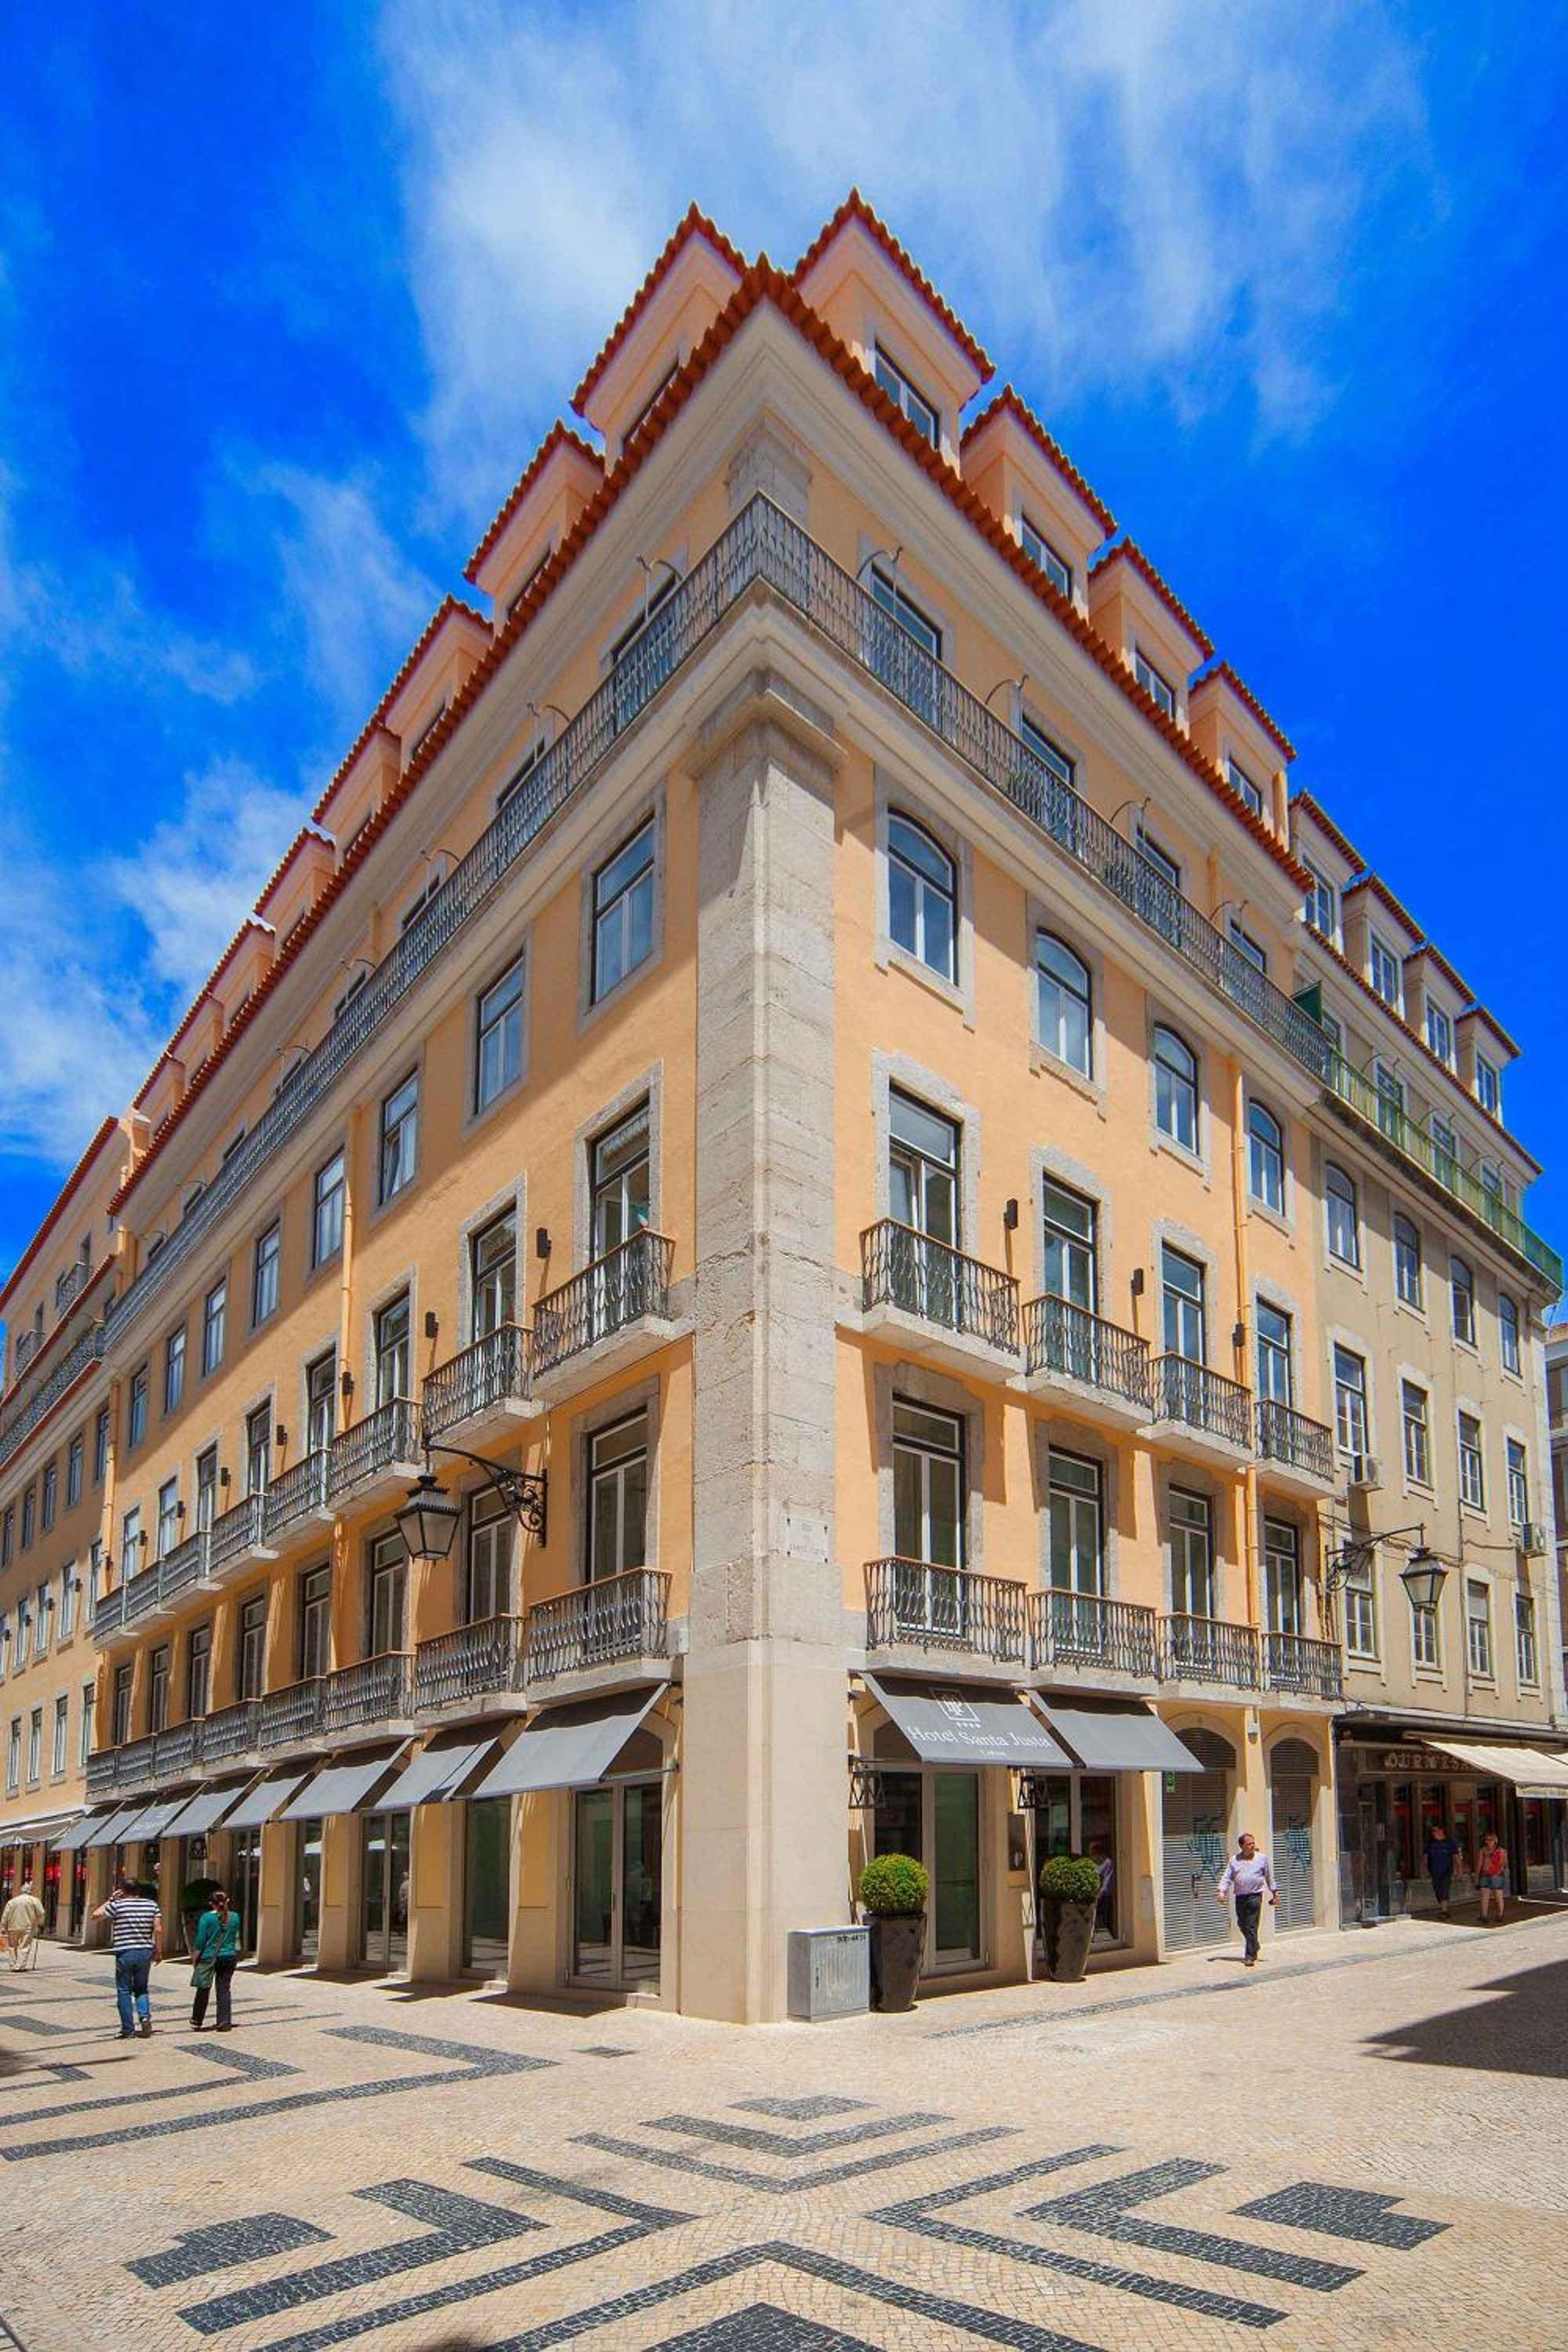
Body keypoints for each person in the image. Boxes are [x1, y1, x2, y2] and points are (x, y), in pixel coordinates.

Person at [94, 1871, 162, 2038]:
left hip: (125, 1952)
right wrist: (159, 1951)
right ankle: (144, 2017)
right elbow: (158, 1929)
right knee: (141, 1988)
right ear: (138, 1890)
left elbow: (95, 1916)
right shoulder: (152, 1905)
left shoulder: (118, 1905)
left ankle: (127, 2028)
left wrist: (111, 1899)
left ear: (123, 1891)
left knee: (124, 1989)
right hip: (145, 1952)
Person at [1215, 1831, 1277, 1967]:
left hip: (1255, 1895)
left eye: (1253, 1843)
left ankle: (1249, 1956)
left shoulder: (1262, 1858)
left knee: (1251, 1925)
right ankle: (1254, 1945)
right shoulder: (1235, 1860)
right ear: (1242, 1846)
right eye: (1249, 1844)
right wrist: (1222, 1891)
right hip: (1240, 1896)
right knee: (1242, 1924)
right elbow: (1227, 1876)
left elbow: (1269, 1876)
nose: (1252, 1846)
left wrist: (1274, 1892)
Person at [190, 1889, 241, 2032]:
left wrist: (195, 1958)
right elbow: (235, 1937)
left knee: (203, 1988)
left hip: (208, 1957)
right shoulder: (235, 1917)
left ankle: (197, 2019)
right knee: (224, 1989)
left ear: (211, 1903)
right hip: (229, 1956)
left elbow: (200, 1941)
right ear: (227, 1901)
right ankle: (224, 2021)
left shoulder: (206, 1918)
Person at [1, 1879, 45, 1969]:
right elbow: (41, 1914)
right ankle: (20, 1966)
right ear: (30, 1891)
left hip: (12, 1927)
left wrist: (3, 1926)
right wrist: (41, 1924)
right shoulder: (34, 1901)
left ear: (22, 1891)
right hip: (27, 1927)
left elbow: (5, 1915)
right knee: (24, 1946)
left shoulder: (12, 1901)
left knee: (12, 1946)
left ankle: (13, 1965)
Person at [1425, 1823, 1462, 1918]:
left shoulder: (1450, 1842)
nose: (1433, 1833)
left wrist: (1459, 1871)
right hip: (1434, 1870)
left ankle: (1444, 1910)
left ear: (1441, 1831)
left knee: (1444, 1889)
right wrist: (1424, 1869)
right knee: (1437, 1890)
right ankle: (1443, 1906)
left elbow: (1456, 1857)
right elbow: (1426, 1856)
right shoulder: (1430, 1842)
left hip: (1447, 1870)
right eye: (1432, 1831)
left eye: (1435, 1830)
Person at [1475, 1829, 1509, 1924]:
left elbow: (1504, 1864)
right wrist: (1477, 1877)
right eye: (1487, 1840)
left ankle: (1500, 1914)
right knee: (1484, 1896)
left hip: (1496, 1875)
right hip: (1485, 1874)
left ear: (1495, 1841)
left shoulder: (1501, 1851)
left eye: (1491, 1840)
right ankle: (1484, 1915)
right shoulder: (1483, 1850)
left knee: (1498, 1896)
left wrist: (1499, 1873)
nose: (1488, 1842)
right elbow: (1480, 1864)